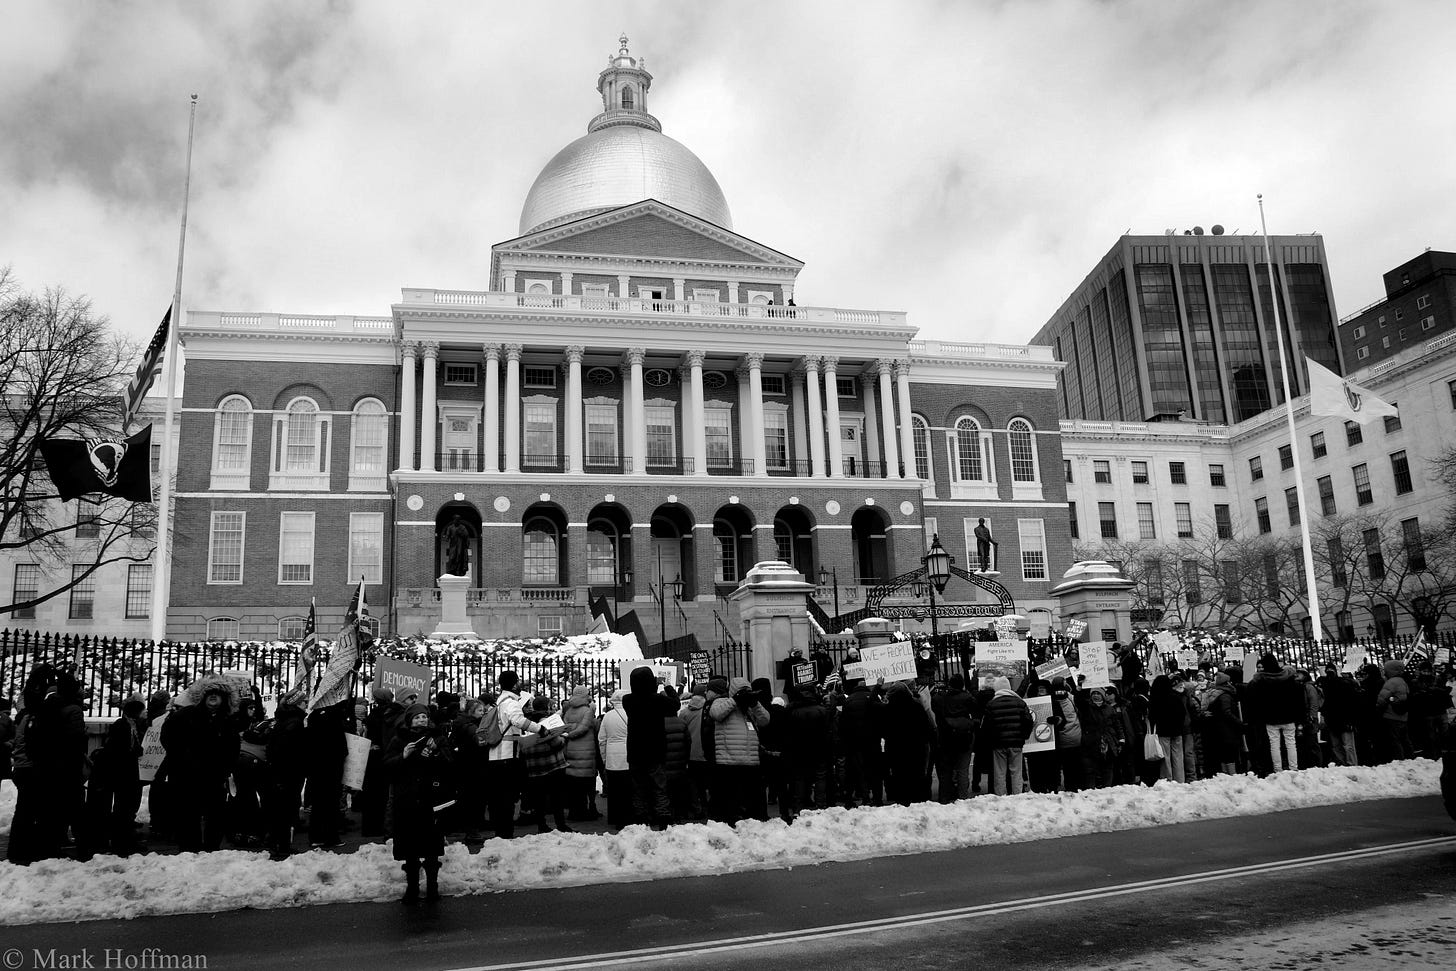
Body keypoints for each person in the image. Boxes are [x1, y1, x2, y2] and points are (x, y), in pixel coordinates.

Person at [162, 681, 241, 852]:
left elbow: (233, 747)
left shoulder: (227, 720)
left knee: (215, 815)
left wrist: (226, 767)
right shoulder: (186, 715)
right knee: (189, 814)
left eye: (217, 693)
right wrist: (182, 758)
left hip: (215, 776)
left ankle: (211, 849)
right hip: (188, 775)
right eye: (209, 693)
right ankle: (189, 849)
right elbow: (167, 736)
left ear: (225, 698)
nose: (213, 696)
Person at [383, 703, 450, 904]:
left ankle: (432, 887)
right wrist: (403, 756)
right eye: (417, 717)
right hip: (407, 800)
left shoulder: (437, 737)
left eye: (424, 717)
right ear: (409, 719)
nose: (421, 720)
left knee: (431, 846)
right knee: (410, 847)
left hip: (430, 798)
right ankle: (412, 887)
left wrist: (436, 753)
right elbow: (387, 766)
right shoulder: (399, 739)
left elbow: (450, 763)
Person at [487, 670, 546, 839]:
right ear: (514, 684)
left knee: (499, 798)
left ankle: (500, 832)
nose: (520, 684)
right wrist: (539, 728)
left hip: (496, 756)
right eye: (518, 681)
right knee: (507, 797)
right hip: (507, 756)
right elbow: (518, 721)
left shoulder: (500, 702)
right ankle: (506, 833)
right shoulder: (511, 703)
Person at [85, 696, 146, 856]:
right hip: (122, 772)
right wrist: (134, 751)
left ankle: (122, 839)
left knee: (124, 806)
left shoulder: (130, 725)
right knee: (123, 807)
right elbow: (121, 748)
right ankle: (121, 841)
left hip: (125, 772)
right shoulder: (123, 725)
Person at [708, 677, 771, 824]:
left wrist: (754, 703)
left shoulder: (750, 708)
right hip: (729, 761)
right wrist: (735, 700)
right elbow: (716, 713)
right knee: (730, 802)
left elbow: (765, 720)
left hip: (751, 761)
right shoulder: (722, 702)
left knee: (753, 803)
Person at [623, 666, 673, 830]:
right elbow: (675, 704)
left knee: (639, 788)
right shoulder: (658, 700)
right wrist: (666, 686)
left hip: (636, 752)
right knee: (659, 787)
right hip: (655, 751)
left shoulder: (628, 700)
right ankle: (663, 818)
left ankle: (641, 819)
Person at [518, 696, 571, 833]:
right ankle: (561, 825)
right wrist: (563, 737)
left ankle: (542, 825)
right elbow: (556, 743)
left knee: (538, 799)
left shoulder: (526, 723)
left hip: (534, 766)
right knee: (556, 797)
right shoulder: (547, 722)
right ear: (546, 707)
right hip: (552, 765)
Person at [779, 683, 832, 820]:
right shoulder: (821, 710)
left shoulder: (792, 711)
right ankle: (820, 805)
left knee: (799, 779)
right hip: (819, 748)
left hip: (798, 750)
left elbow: (787, 734)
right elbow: (827, 731)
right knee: (820, 777)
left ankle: (798, 808)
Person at [1246, 653, 1305, 773]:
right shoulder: (1289, 679)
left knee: (1274, 745)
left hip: (1270, 718)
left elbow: (1255, 701)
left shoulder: (1261, 681)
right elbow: (1298, 699)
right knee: (1291, 743)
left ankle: (1278, 769)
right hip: (1289, 717)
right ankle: (1293, 767)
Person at [264, 701, 308, 860]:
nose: (306, 705)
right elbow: (292, 751)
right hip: (289, 773)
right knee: (286, 810)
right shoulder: (294, 724)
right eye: (303, 703)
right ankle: (282, 846)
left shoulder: (282, 723)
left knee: (280, 810)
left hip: (280, 772)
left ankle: (276, 843)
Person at [361, 686, 404, 837]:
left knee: (373, 793)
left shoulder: (374, 714)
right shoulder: (387, 714)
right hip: (384, 753)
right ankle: (381, 825)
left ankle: (370, 826)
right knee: (384, 792)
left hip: (373, 754)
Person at [882, 681, 933, 805]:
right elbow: (926, 727)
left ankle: (903, 801)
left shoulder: (889, 709)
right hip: (916, 748)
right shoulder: (916, 706)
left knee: (900, 776)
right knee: (916, 775)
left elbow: (884, 730)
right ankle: (916, 800)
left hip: (896, 749)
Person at [984, 676, 1033, 795]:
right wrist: (1024, 736)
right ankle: (1017, 796)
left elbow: (987, 726)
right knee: (1016, 772)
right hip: (1016, 742)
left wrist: (992, 740)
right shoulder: (1020, 702)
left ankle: (1001, 797)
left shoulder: (991, 704)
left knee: (999, 773)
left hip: (998, 744)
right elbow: (1028, 721)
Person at [932, 673, 976, 802]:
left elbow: (934, 706)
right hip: (964, 737)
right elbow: (976, 711)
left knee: (947, 770)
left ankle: (946, 796)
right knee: (963, 769)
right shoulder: (967, 698)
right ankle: (962, 796)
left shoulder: (941, 698)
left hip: (947, 737)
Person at [561, 686, 601, 822]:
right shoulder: (587, 711)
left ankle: (574, 812)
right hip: (586, 752)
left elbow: (564, 726)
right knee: (585, 784)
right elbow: (583, 728)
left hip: (571, 750)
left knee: (574, 785)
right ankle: (583, 812)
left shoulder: (568, 711)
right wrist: (572, 733)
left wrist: (567, 734)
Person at [597, 689, 632, 831]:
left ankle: (614, 817)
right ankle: (627, 817)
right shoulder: (630, 714)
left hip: (612, 757)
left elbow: (602, 739)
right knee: (627, 789)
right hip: (627, 756)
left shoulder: (607, 716)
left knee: (614, 790)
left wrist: (604, 757)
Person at [1202, 673, 1245, 775]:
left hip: (1218, 729)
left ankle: (1225, 775)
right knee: (1230, 754)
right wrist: (1239, 722)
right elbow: (1227, 712)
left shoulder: (1215, 693)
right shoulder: (1225, 695)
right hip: (1227, 729)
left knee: (1224, 754)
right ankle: (1232, 775)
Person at [679, 685, 710, 819]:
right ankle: (705, 807)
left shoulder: (684, 712)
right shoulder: (707, 711)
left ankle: (695, 808)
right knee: (705, 784)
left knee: (693, 784)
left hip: (690, 754)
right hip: (704, 752)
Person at [1376, 658, 1414, 762]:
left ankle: (1399, 759)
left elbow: (1382, 699)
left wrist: (1379, 707)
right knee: (1405, 739)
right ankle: (1410, 758)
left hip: (1391, 715)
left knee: (1395, 740)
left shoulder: (1391, 682)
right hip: (1403, 716)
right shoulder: (1403, 681)